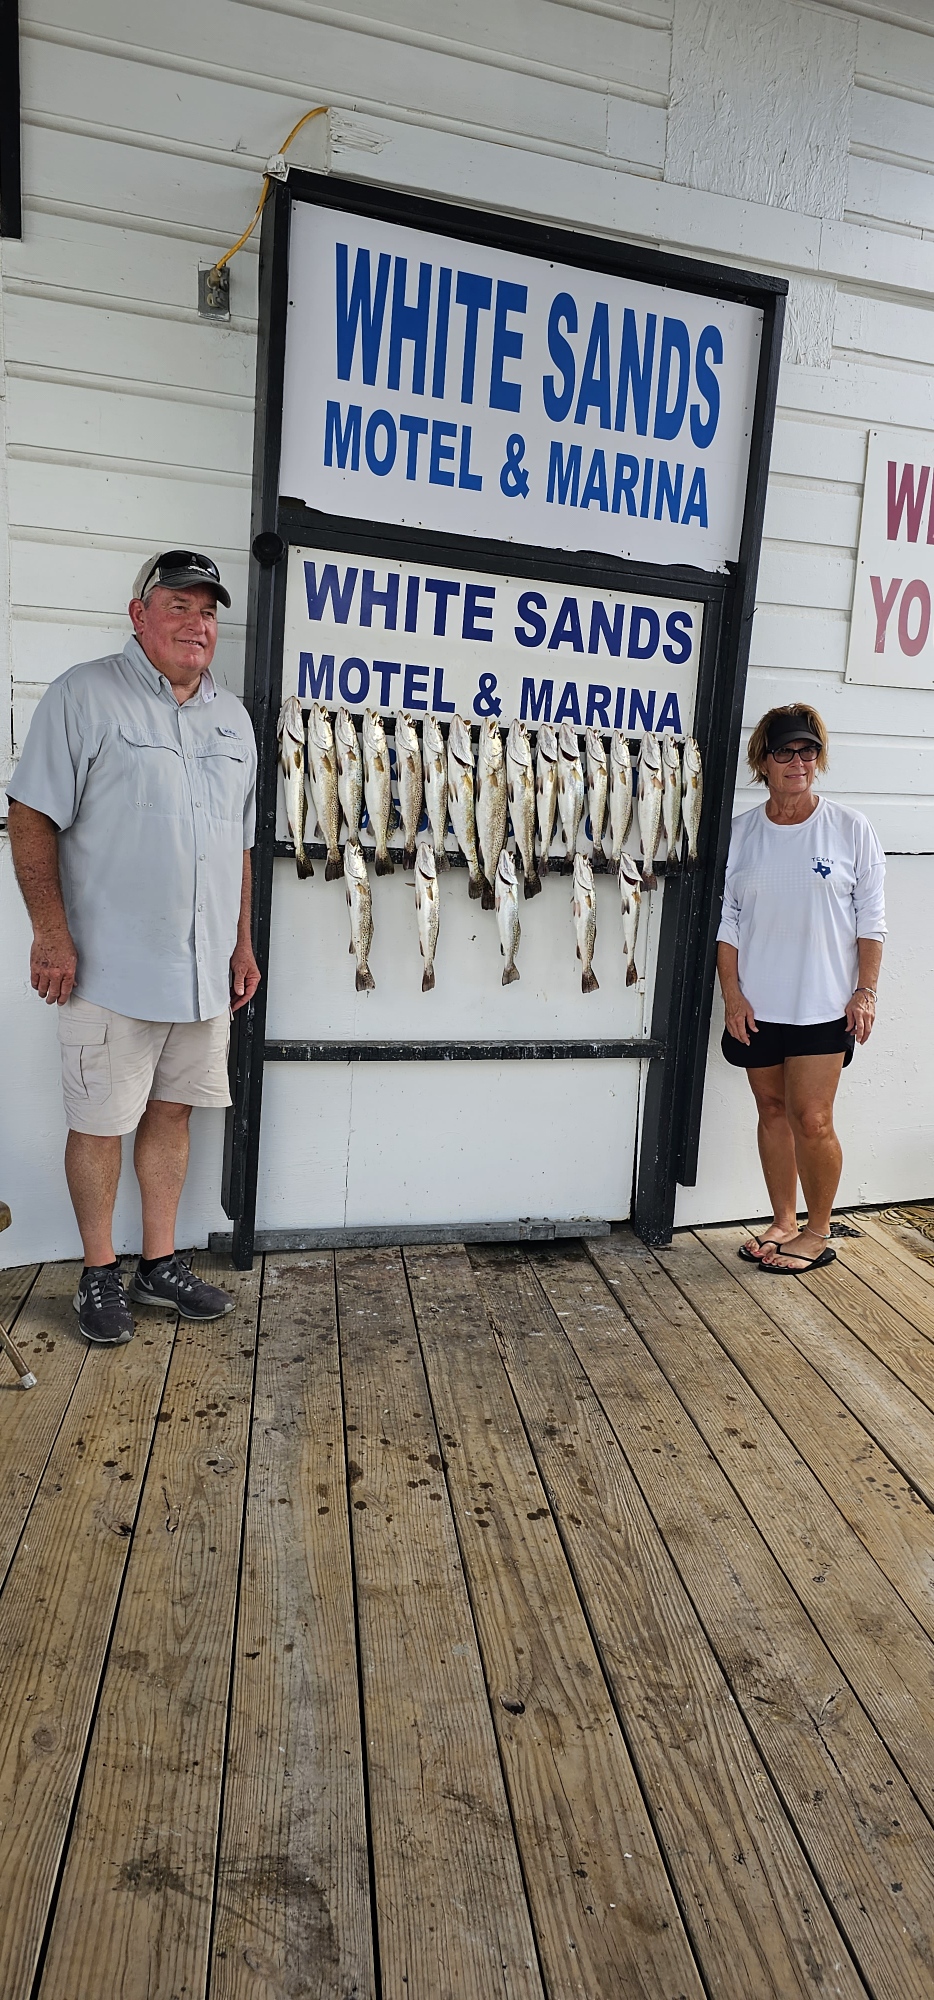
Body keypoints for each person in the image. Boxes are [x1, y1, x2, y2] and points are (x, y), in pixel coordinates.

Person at [7, 550, 260, 1344]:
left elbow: (238, 845)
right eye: (179, 607)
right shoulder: (86, 696)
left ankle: (159, 1264)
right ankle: (96, 1271)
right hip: (109, 969)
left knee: (173, 1115)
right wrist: (50, 934)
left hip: (202, 974)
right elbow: (30, 816)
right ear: (138, 614)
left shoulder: (233, 718)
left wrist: (241, 944)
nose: (198, 624)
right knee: (101, 1122)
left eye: (208, 611)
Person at [716, 702, 885, 1275]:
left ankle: (817, 1230)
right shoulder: (741, 834)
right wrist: (732, 994)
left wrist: (865, 992)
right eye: (785, 751)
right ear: (762, 761)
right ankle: (782, 1222)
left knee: (812, 1118)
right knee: (772, 1109)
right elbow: (728, 921)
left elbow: (871, 920)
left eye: (808, 751)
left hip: (821, 1007)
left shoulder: (849, 828)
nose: (798, 761)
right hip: (758, 1005)